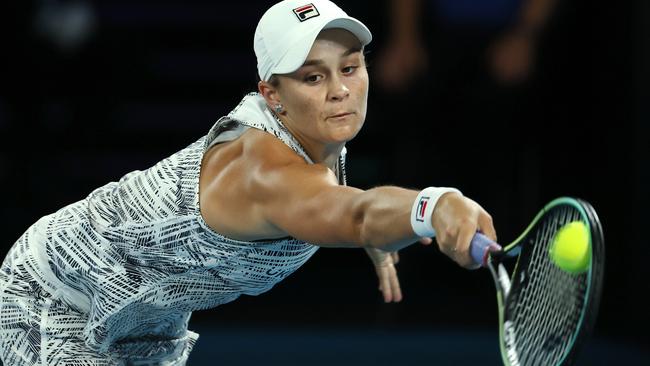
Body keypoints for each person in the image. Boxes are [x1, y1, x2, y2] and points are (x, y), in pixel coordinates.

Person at [0, 0, 497, 364]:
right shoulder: (264, 173)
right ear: (271, 95)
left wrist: (377, 228)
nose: (341, 90)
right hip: (56, 294)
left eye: (350, 68)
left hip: (144, 316)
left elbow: (349, 206)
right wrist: (433, 206)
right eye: (312, 77)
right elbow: (356, 212)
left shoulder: (311, 135)